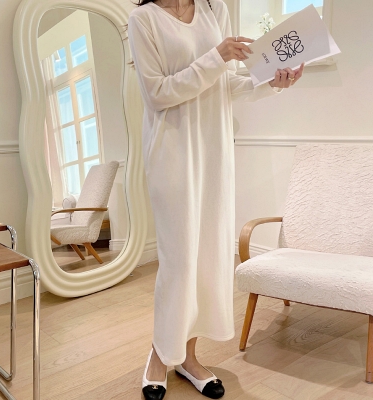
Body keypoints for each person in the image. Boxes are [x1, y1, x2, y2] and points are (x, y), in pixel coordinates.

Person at [127, 0, 304, 398]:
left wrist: (271, 83)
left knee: (207, 257)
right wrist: (217, 56)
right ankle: (160, 355)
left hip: (214, 150)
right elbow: (157, 93)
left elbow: (223, 84)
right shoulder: (143, 19)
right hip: (172, 154)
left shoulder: (214, 9)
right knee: (178, 262)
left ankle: (187, 357)